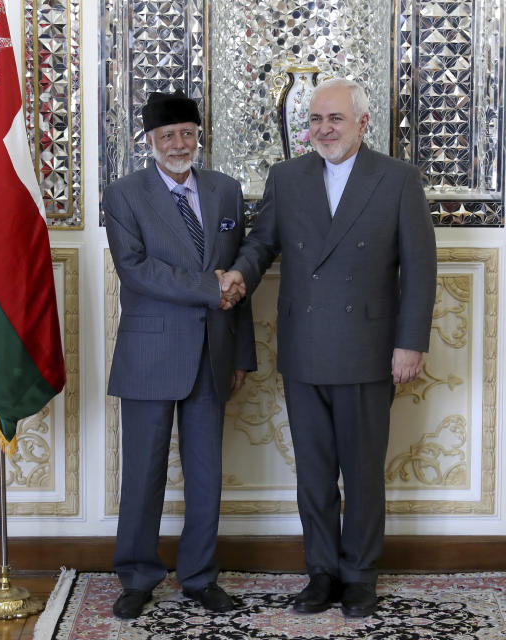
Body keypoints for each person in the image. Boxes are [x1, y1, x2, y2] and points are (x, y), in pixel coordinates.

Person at [219, 78, 436, 617]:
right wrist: (239, 279)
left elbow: (421, 268)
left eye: (334, 119)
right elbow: (261, 243)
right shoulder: (287, 178)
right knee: (314, 474)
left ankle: (360, 575)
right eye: (315, 120)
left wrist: (409, 344)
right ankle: (322, 573)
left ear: (363, 123)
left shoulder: (398, 179)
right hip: (305, 348)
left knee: (361, 473)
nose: (323, 129)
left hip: (369, 349)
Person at [103, 90, 256, 618]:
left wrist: (241, 355)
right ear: (150, 142)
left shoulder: (226, 191)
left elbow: (240, 277)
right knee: (142, 474)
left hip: (214, 353)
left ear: (198, 136)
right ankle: (137, 577)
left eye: (187, 133)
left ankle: (199, 576)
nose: (179, 143)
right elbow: (136, 269)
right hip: (149, 354)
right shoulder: (123, 194)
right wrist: (209, 288)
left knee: (206, 473)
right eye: (167, 135)